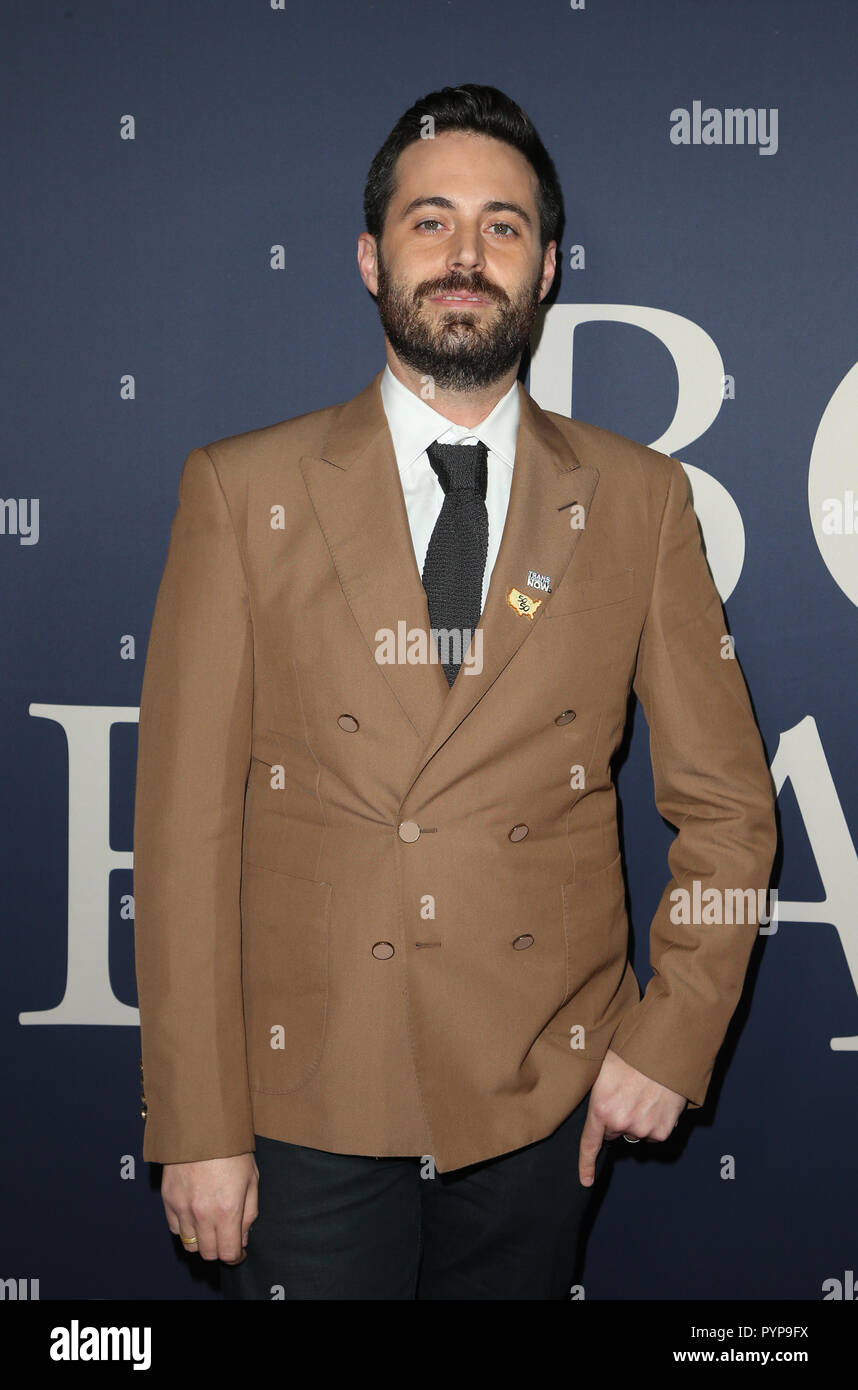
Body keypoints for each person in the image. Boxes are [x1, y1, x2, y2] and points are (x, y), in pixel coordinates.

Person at [133, 83, 777, 1300]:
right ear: (372, 258)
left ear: (546, 271)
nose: (466, 256)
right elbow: (182, 839)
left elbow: (732, 808)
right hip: (303, 1102)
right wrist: (198, 1119)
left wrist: (671, 1032)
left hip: (536, 1101)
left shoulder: (640, 502)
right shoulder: (238, 489)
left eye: (503, 226)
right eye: (432, 223)